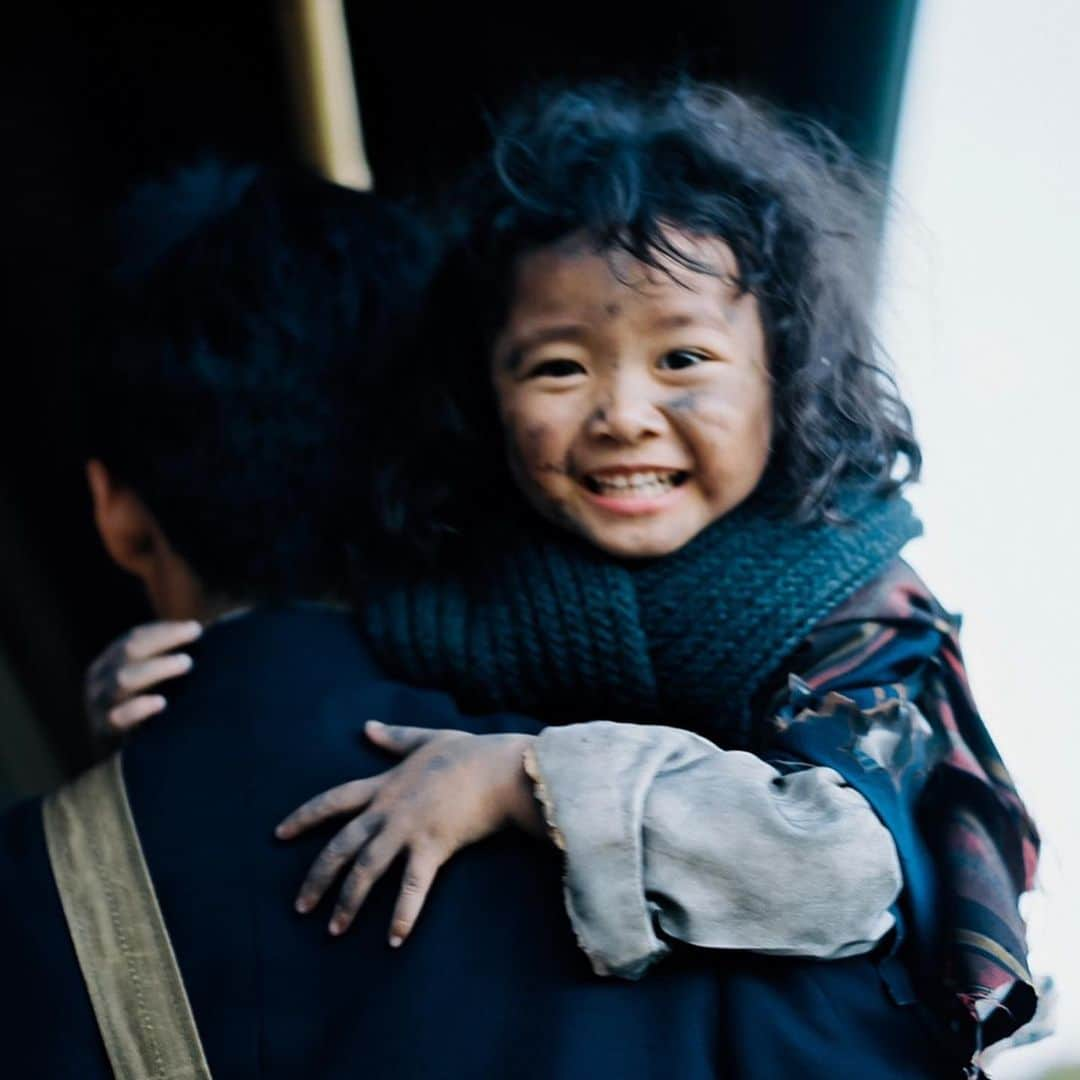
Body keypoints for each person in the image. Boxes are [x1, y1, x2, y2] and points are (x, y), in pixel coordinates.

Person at [94, 84, 1039, 1076]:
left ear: (784, 371)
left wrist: (524, 779)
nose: (623, 413)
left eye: (684, 356)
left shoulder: (851, 604)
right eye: (558, 368)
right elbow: (339, 641)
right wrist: (174, 670)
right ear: (484, 396)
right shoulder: (469, 589)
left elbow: (838, 866)